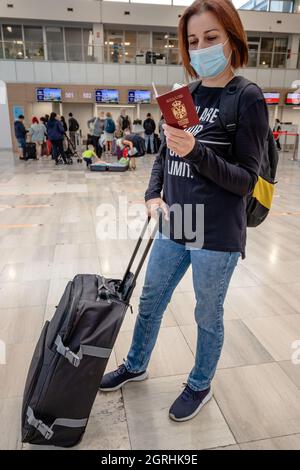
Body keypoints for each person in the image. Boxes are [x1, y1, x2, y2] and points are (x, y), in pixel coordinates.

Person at [100, 0, 269, 423]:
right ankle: (136, 364)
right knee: (152, 297)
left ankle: (199, 383)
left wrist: (197, 153)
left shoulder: (246, 98)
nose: (201, 48)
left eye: (211, 38)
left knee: (205, 312)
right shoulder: (186, 94)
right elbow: (164, 153)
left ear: (232, 39)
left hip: (216, 231)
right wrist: (152, 193)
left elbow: (246, 179)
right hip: (177, 220)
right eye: (193, 41)